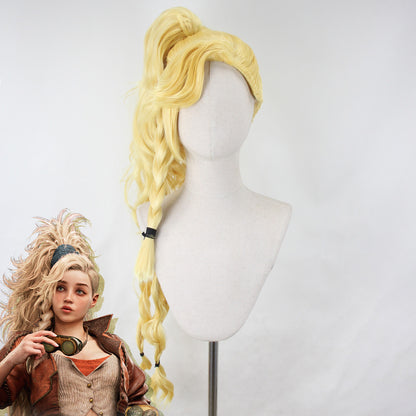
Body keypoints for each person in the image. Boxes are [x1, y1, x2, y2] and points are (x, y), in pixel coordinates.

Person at [125, 6, 291, 404]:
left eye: (228, 101)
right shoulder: (152, 218)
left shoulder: (277, 217)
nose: (212, 117)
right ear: (173, 112)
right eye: (195, 100)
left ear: (253, 107)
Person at [0, 210, 160, 416]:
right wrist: (13, 358)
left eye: (80, 291)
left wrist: (144, 411)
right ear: (49, 292)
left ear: (93, 299)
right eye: (60, 288)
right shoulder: (31, 346)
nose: (68, 298)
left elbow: (138, 399)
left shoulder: (113, 347)